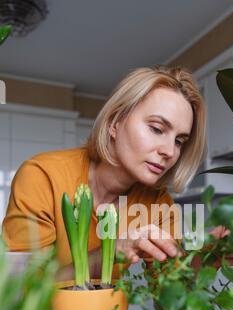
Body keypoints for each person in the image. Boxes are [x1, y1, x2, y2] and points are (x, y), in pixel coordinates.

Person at [2, 65, 206, 279]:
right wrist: (111, 251)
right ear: (115, 122)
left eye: (179, 141)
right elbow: (20, 290)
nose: (169, 151)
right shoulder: (43, 176)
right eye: (156, 129)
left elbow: (173, 298)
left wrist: (206, 258)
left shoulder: (157, 202)